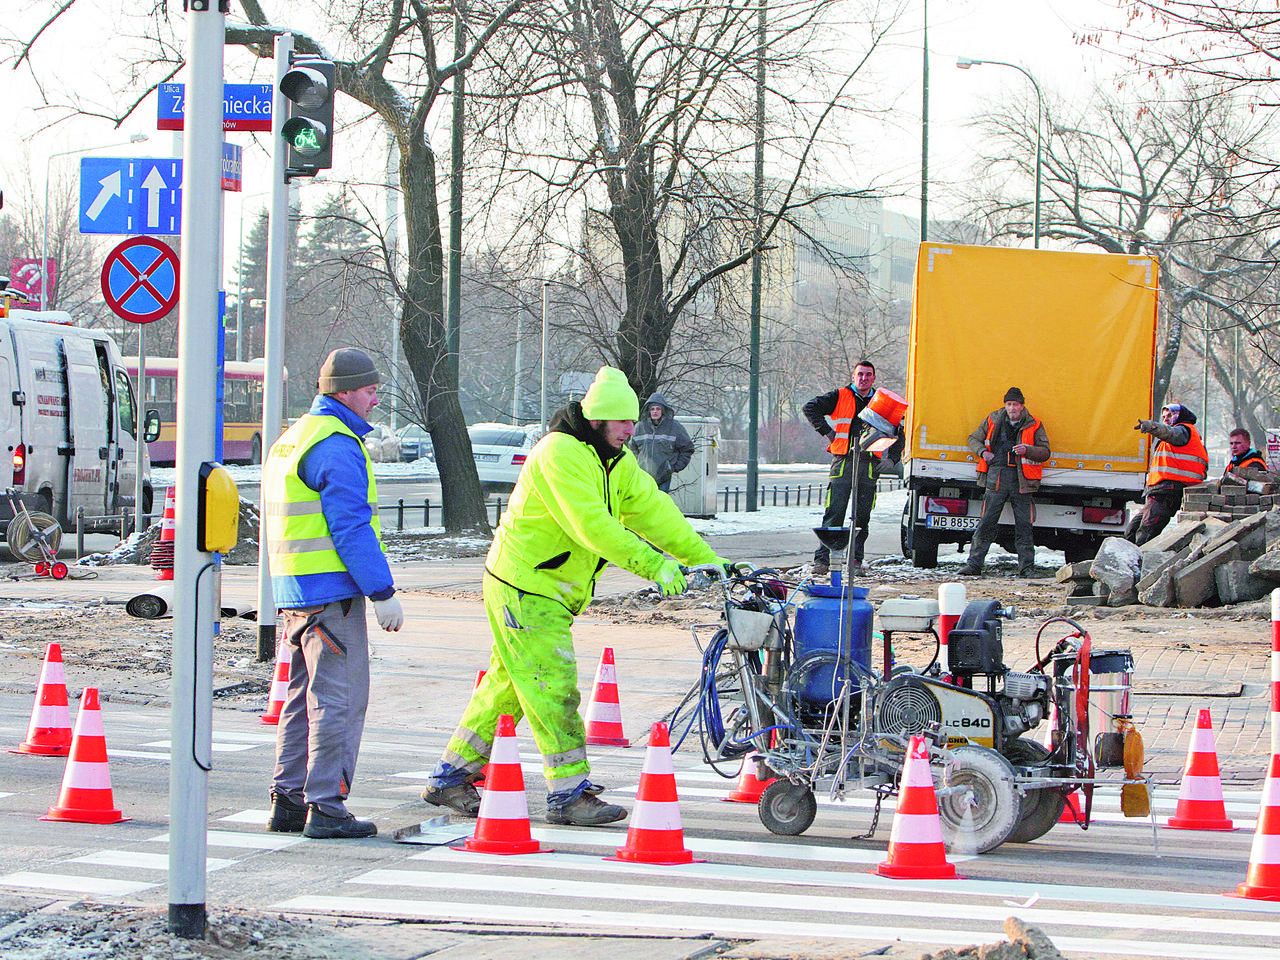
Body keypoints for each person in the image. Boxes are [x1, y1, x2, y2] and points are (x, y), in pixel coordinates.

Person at [421, 366, 727, 826]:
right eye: (623, 422)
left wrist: (708, 559)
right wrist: (656, 565)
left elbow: (654, 511)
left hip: (544, 590)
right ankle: (568, 795)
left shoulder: (615, 462)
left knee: (508, 688)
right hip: (525, 587)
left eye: (633, 420)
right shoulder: (558, 454)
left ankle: (450, 777)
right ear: (599, 419)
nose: (631, 429)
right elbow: (593, 528)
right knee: (553, 687)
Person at [262, 348, 405, 840]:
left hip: (296, 588)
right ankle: (325, 806)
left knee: (302, 697)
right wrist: (382, 591)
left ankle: (289, 800)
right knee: (339, 701)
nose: (374, 400)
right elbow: (351, 528)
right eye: (369, 391)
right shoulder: (338, 444)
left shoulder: (293, 437)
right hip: (333, 592)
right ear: (343, 391)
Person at [803, 360, 902, 576]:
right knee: (834, 513)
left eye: (868, 375)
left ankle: (856, 561)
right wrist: (827, 432)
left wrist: (892, 460)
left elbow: (898, 432)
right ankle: (823, 560)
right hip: (843, 461)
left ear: (874, 378)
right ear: (854, 376)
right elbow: (810, 408)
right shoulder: (840, 396)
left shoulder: (881, 402)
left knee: (862, 516)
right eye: (860, 374)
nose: (864, 378)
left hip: (868, 465)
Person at [957, 387, 1051, 578]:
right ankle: (973, 565)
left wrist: (1027, 450)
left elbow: (1045, 452)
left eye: (1015, 404)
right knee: (986, 523)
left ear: (1022, 406)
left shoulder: (1034, 424)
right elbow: (973, 438)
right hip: (996, 476)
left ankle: (1027, 569)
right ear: (1005, 405)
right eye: (1009, 404)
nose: (1012, 408)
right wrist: (984, 452)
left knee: (1024, 526)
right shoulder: (993, 419)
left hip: (1021, 480)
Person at [1132, 402, 1208, 545]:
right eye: (1164, 416)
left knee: (1145, 535)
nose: (1166, 418)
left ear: (1182, 416)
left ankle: (1140, 564)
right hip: (1158, 491)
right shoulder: (1173, 439)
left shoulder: (1183, 431)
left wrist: (1151, 426)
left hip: (1168, 492)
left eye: (1171, 414)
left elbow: (1169, 432)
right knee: (1132, 531)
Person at [630, 393, 695, 493]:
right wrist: (637, 464)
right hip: (643, 476)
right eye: (652, 409)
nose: (655, 411)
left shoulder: (674, 427)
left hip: (663, 476)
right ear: (648, 411)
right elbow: (632, 448)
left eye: (658, 409)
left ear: (663, 410)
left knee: (660, 505)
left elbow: (687, 448)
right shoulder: (640, 427)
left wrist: (674, 467)